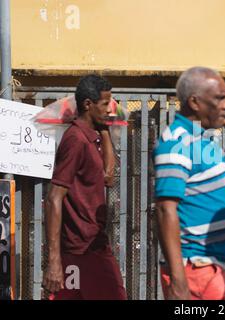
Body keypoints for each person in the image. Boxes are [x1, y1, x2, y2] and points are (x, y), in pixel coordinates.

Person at [154, 67, 225, 300]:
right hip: (194, 269)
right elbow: (165, 210)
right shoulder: (176, 143)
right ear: (195, 102)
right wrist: (178, 280)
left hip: (211, 267)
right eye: (220, 97)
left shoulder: (203, 141)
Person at [42, 74, 126, 300]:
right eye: (105, 104)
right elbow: (54, 198)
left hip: (95, 245)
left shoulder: (91, 137)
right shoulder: (76, 140)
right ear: (88, 105)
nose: (110, 109)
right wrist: (54, 262)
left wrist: (105, 129)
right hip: (76, 253)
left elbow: (108, 178)